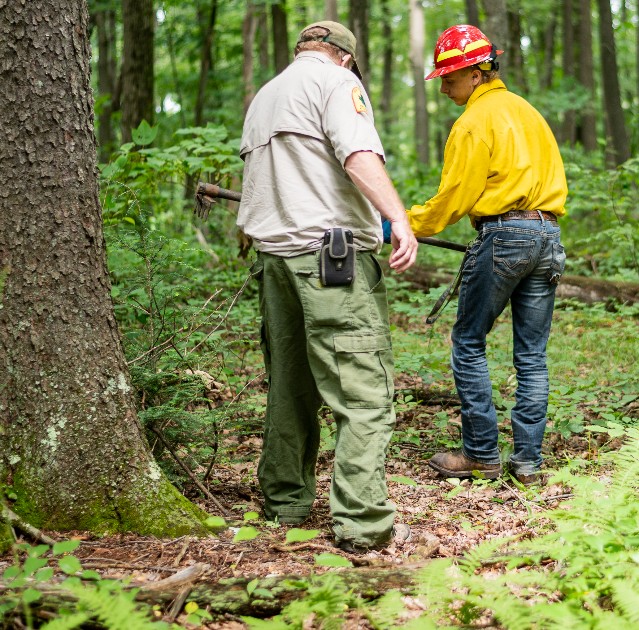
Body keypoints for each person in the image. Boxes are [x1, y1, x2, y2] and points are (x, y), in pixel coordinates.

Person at [238, 21, 419, 552]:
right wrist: (398, 219)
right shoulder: (338, 84)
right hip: (331, 262)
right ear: (344, 57)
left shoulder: (264, 97)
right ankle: (364, 524)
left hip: (275, 262)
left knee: (290, 386)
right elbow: (357, 154)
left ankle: (285, 502)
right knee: (362, 391)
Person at [408, 25, 567, 484]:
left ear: (478, 73)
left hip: (505, 234)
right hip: (548, 236)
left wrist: (403, 222)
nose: (443, 86)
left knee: (468, 343)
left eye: (450, 77)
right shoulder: (528, 112)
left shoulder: (474, 123)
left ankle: (480, 454)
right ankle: (528, 464)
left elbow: (453, 198)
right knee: (532, 356)